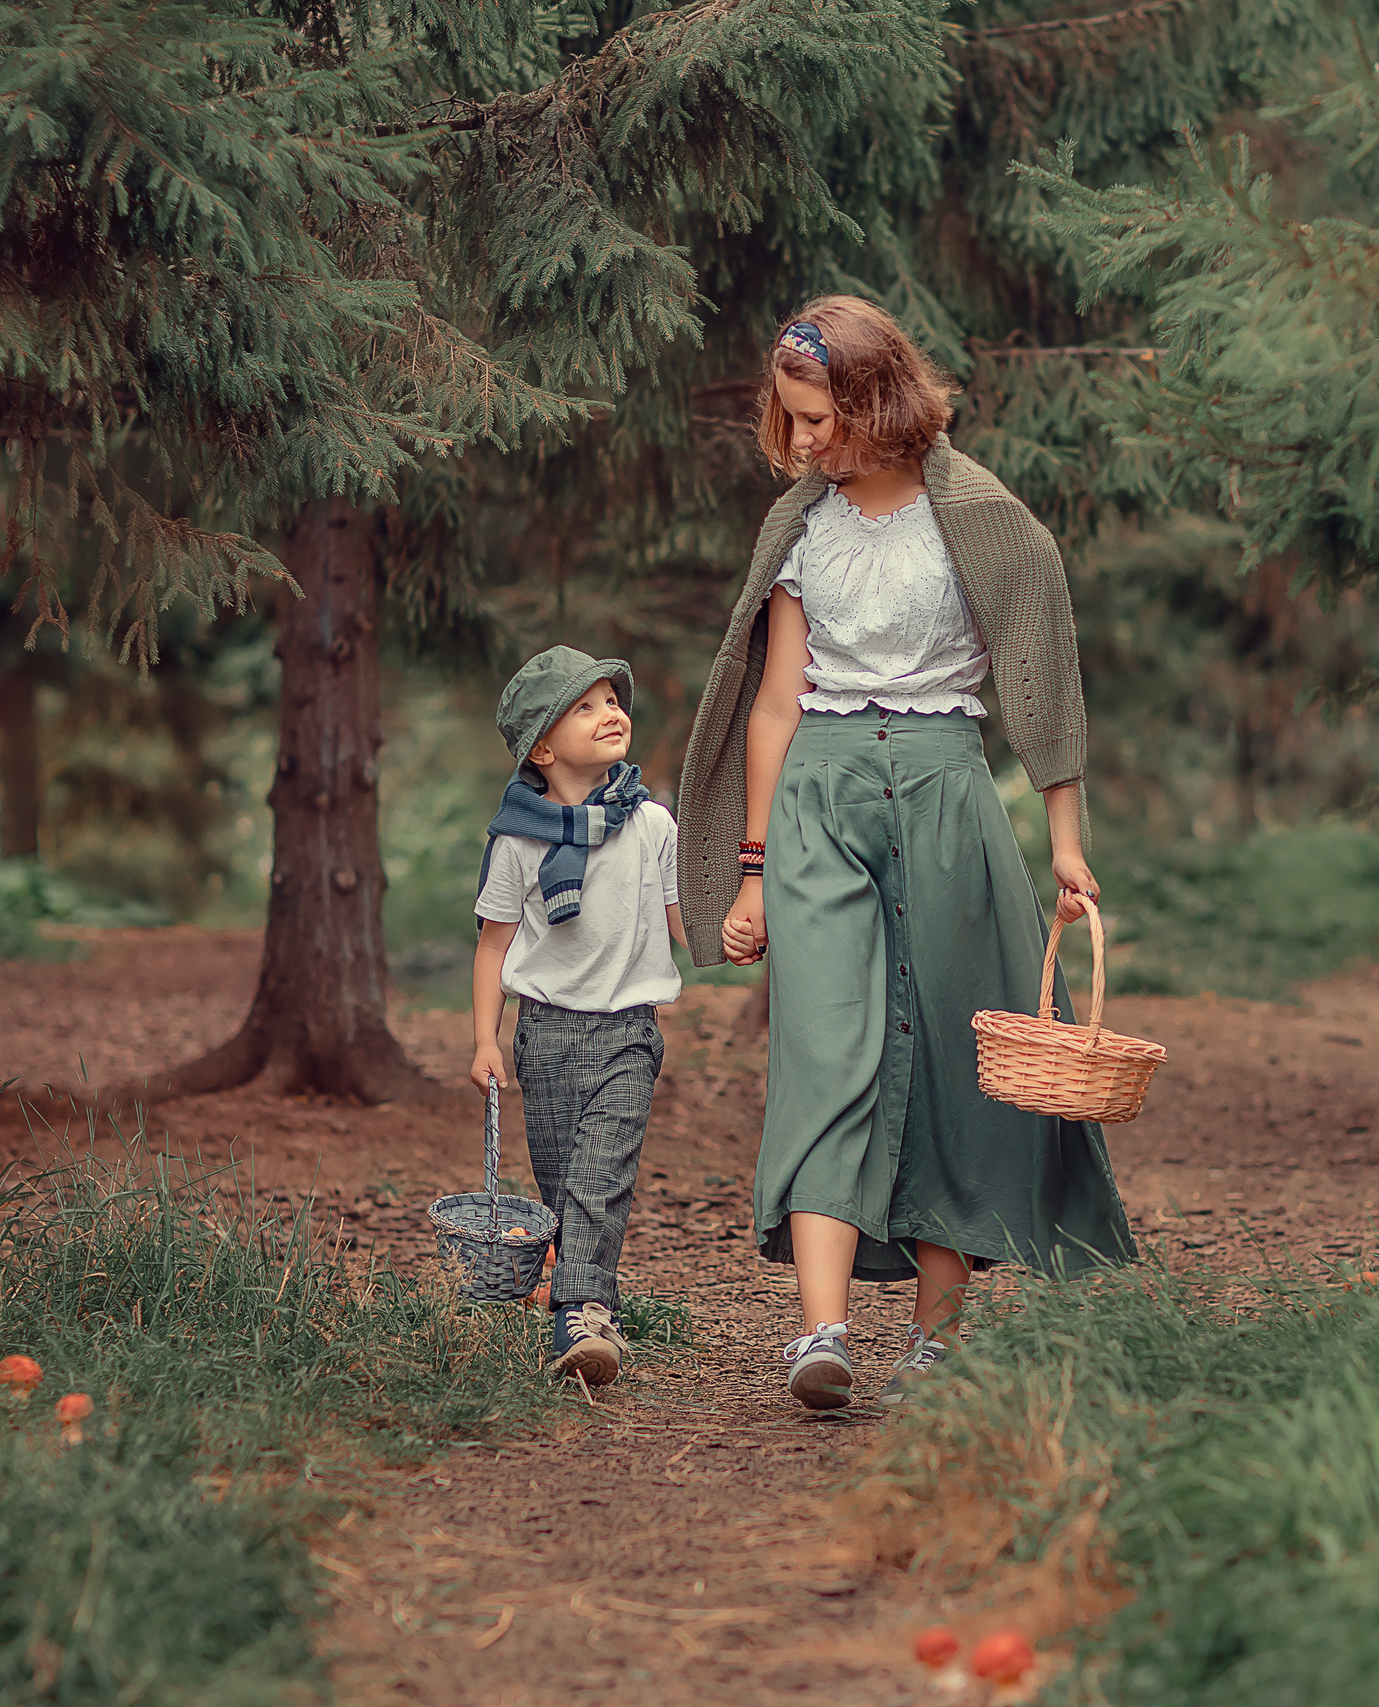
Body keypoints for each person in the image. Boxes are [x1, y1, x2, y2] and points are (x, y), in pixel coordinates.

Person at [673, 296, 1136, 1412]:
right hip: (822, 795)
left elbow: (1043, 689)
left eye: (821, 420)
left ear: (879, 403)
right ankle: (820, 1335)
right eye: (790, 423)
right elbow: (776, 704)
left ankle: (933, 1340)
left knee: (952, 1058)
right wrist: (750, 870)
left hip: (943, 789)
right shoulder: (800, 528)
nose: (803, 443)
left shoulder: (980, 520)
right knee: (823, 1049)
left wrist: (1067, 846)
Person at [471, 646, 684, 1388]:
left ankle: (582, 1311)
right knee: (564, 1184)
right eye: (585, 706)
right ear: (542, 746)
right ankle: (584, 1301)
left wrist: (745, 927)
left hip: (629, 1028)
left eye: (612, 699)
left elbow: (681, 919)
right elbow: (494, 945)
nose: (611, 713)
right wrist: (484, 1041)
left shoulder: (651, 822)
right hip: (546, 1032)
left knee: (600, 1176)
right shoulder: (518, 839)